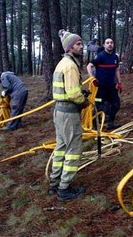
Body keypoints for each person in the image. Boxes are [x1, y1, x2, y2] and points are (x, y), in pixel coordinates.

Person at [48, 31, 89, 201]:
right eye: (78, 44)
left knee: (61, 147)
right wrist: (85, 101)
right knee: (73, 150)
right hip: (69, 113)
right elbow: (73, 94)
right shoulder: (71, 66)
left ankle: (54, 183)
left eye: (81, 43)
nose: (82, 46)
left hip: (59, 111)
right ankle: (64, 189)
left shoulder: (62, 63)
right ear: (70, 47)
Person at [87, 37, 122, 130]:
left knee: (116, 105)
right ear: (104, 45)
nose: (110, 44)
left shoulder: (115, 57)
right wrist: (92, 78)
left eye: (111, 42)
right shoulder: (100, 56)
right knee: (99, 106)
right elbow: (89, 66)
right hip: (100, 87)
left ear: (113, 45)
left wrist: (120, 82)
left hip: (111, 86)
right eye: (107, 43)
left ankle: (110, 123)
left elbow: (117, 69)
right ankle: (95, 126)